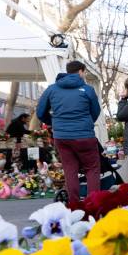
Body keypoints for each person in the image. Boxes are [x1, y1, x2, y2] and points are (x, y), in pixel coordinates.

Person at [36, 60, 101, 205]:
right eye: (84, 73)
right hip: (85, 136)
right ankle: (93, 204)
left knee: (70, 169)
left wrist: (54, 123)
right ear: (81, 71)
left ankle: (74, 205)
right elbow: (95, 111)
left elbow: (40, 112)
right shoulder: (87, 89)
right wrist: (87, 123)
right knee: (92, 169)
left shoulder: (52, 89)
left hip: (62, 137)